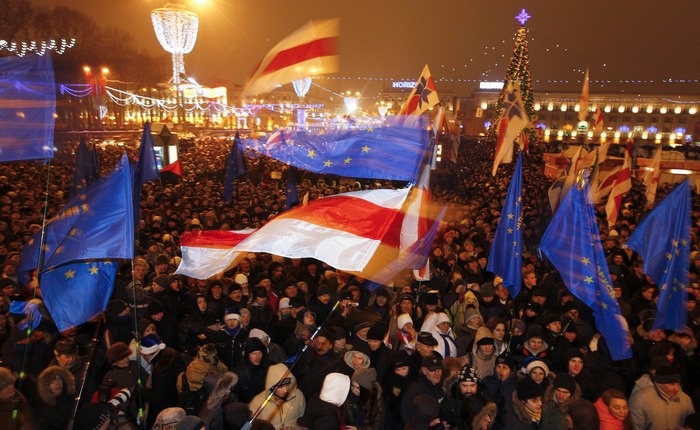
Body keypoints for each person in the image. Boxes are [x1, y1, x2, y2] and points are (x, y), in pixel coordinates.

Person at [629, 365, 695, 430]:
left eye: (678, 384)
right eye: (671, 384)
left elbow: (692, 423)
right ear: (659, 384)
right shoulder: (640, 399)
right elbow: (636, 426)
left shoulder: (685, 399)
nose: (676, 388)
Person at [248, 363, 306, 429]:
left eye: (287, 385)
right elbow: (251, 426)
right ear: (272, 386)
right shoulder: (257, 403)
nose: (285, 390)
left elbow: (302, 419)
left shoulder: (298, 396)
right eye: (280, 387)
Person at [400, 351, 445, 424]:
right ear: (424, 371)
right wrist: (428, 425)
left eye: (439, 369)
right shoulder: (414, 390)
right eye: (433, 370)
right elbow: (407, 417)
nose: (437, 373)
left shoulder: (445, 386)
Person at [33, 365, 76, 430]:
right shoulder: (41, 408)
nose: (57, 383)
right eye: (52, 381)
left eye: (59, 379)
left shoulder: (72, 401)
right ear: (45, 386)